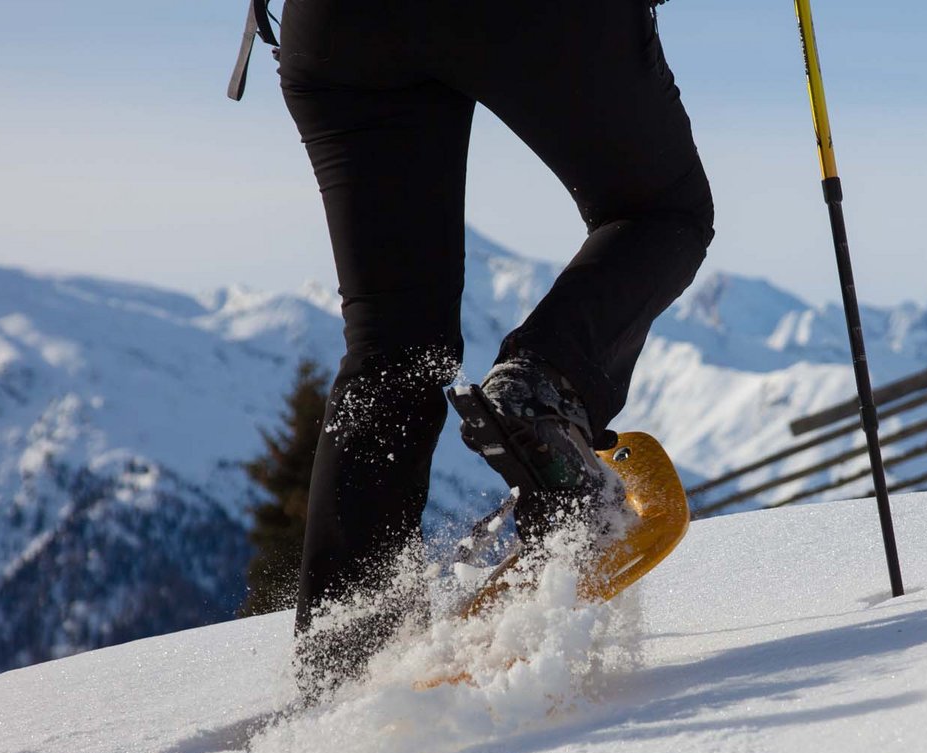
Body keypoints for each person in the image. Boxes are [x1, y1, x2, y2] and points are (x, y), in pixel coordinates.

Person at [256, 0, 714, 689]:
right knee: (660, 210)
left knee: (394, 344)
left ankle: (345, 670)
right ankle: (542, 384)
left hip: (338, 27)